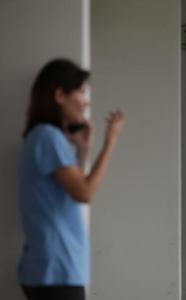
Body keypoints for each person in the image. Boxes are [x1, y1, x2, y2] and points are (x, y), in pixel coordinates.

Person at [18, 59, 125, 300]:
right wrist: (111, 141)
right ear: (60, 95)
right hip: (55, 270)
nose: (85, 101)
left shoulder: (42, 137)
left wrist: (84, 149)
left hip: (51, 269)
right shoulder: (48, 137)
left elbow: (73, 186)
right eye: (81, 92)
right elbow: (84, 192)